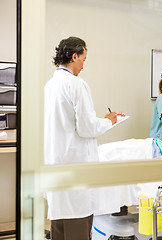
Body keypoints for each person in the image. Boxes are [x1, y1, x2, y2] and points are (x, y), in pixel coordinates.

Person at [44, 36, 117, 240]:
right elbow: (87, 127)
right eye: (83, 59)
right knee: (78, 225)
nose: (84, 65)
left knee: (59, 226)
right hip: (75, 166)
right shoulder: (76, 85)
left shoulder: (49, 86)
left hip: (55, 166)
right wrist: (109, 121)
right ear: (74, 56)